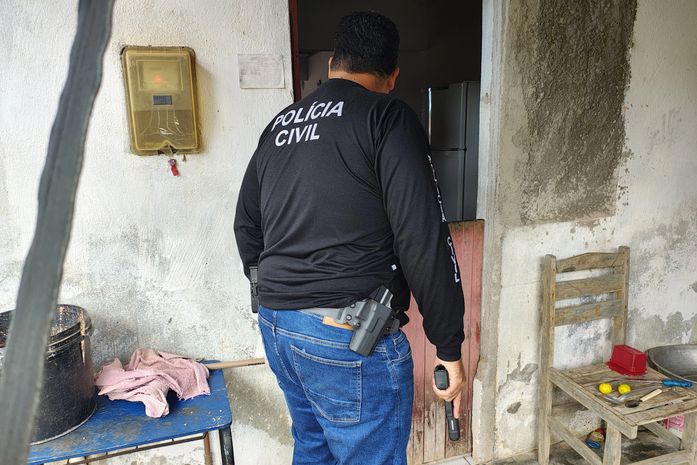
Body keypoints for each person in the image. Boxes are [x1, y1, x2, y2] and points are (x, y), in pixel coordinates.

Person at [234, 11, 465, 465]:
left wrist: (278, 291)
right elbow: (422, 237)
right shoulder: (386, 117)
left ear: (333, 63)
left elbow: (246, 225)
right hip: (346, 336)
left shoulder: (280, 125)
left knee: (313, 448)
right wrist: (448, 345)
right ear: (393, 76)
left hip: (280, 327)